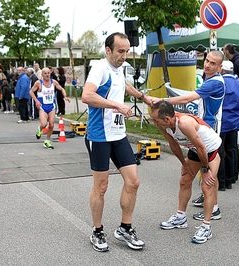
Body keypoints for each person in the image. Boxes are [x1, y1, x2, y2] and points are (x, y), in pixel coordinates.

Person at [81, 32, 152, 252]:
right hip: (99, 136)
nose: (125, 55)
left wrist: (143, 97)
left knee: (133, 182)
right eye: (120, 51)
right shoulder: (100, 68)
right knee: (101, 187)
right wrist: (117, 106)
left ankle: (125, 228)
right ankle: (97, 230)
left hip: (118, 134)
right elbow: (86, 95)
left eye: (127, 50)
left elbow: (123, 84)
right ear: (108, 50)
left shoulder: (118, 68)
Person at [152, 50, 225, 216]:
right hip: (199, 125)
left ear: (220, 67)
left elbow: (186, 99)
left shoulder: (215, 82)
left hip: (210, 128)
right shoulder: (209, 78)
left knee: (209, 176)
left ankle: (213, 207)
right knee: (189, 177)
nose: (207, 65)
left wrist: (162, 101)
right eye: (207, 60)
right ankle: (206, 202)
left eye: (213, 63)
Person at [151, 101, 222, 244]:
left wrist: (205, 170)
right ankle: (180, 217)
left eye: (156, 120)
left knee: (206, 186)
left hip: (210, 149)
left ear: (167, 119)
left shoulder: (184, 123)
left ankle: (206, 227)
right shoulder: (163, 125)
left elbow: (202, 147)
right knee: (184, 180)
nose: (154, 123)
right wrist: (184, 164)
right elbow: (173, 144)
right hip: (196, 150)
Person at [217, 61, 239, 190]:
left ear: (222, 70)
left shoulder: (219, 83)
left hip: (221, 123)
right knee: (232, 150)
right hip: (234, 123)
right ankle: (231, 179)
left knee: (220, 152)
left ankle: (221, 182)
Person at [30, 67, 70, 149]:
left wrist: (65, 96)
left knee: (51, 124)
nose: (47, 75)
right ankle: (40, 128)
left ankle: (47, 141)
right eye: (45, 73)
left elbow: (62, 89)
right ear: (42, 74)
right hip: (43, 106)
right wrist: (36, 101)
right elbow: (31, 92)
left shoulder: (54, 82)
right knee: (44, 124)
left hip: (51, 106)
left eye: (48, 73)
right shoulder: (39, 83)